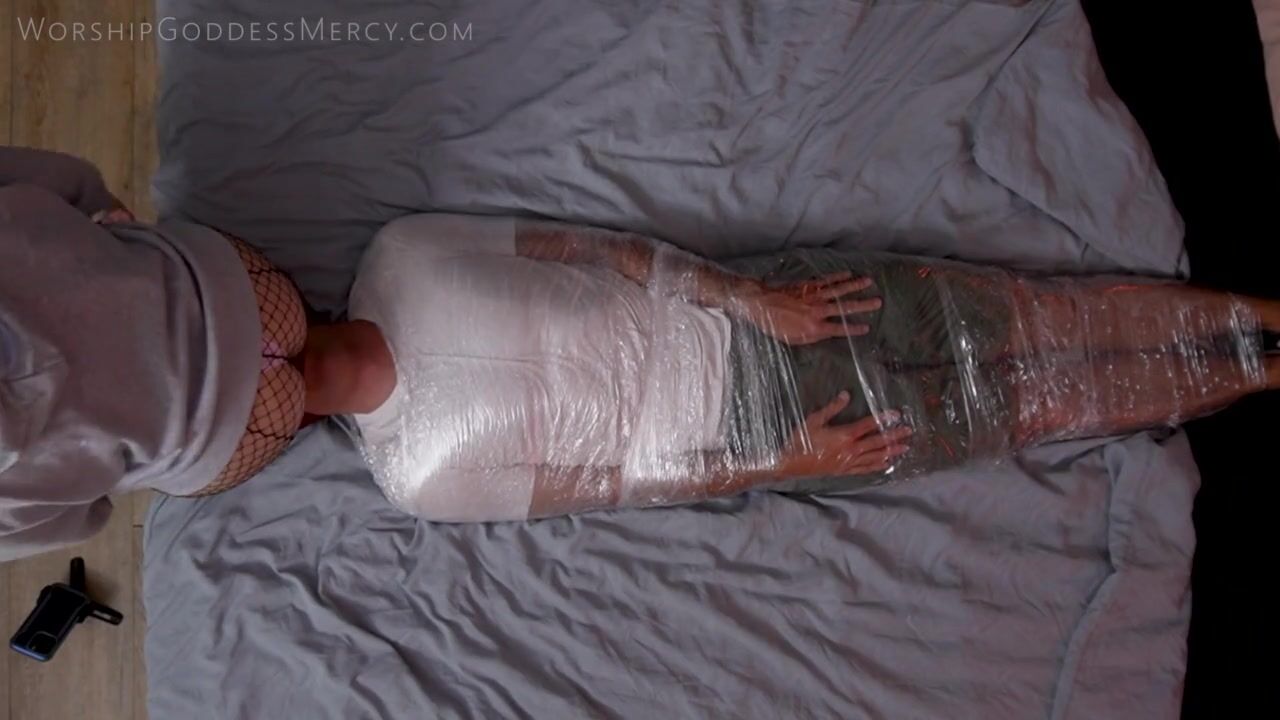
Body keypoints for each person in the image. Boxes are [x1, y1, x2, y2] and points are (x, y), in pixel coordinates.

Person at [328, 214, 1280, 523]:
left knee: (1045, 318)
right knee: (1046, 403)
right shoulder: (417, 474)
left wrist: (749, 299)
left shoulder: (402, 253)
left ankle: (1271, 320)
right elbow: (616, 481)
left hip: (781, 309)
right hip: (777, 432)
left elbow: (587, 251)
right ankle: (1270, 374)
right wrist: (784, 462)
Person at [1, 146, 310, 562]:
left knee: (158, 452)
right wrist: (99, 213)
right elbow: (64, 177)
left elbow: (84, 517)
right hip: (231, 283)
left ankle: (322, 399)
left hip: (229, 433)